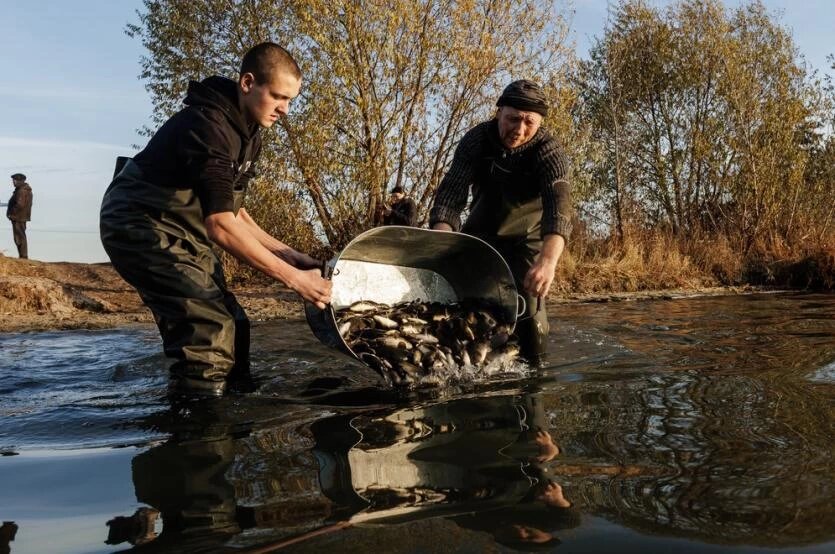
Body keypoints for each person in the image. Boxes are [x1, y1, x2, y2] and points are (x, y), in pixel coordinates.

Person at [100, 43, 332, 398]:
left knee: (234, 322)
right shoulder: (206, 126)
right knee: (207, 325)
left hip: (183, 226)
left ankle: (236, 402)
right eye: (278, 97)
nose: (285, 109)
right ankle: (199, 430)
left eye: (291, 100)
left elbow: (235, 212)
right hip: (138, 223)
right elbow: (220, 226)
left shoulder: (250, 134)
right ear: (247, 82)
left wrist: (290, 255)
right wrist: (296, 281)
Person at [429, 79, 572, 365]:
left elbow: (560, 209)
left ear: (540, 122)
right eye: (513, 119)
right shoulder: (476, 140)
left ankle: (533, 377)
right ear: (499, 113)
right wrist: (441, 242)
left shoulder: (549, 150)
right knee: (464, 320)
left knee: (529, 326)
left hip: (528, 245)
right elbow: (450, 197)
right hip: (479, 239)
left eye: (529, 122)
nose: (519, 130)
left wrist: (548, 260)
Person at [6, 173, 33, 259]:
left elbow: (19, 205)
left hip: (18, 217)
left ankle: (23, 256)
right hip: (21, 216)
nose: (13, 182)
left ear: (20, 181)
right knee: (20, 236)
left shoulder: (21, 191)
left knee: (19, 237)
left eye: (15, 180)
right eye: (13, 180)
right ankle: (23, 256)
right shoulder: (24, 190)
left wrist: (11, 213)